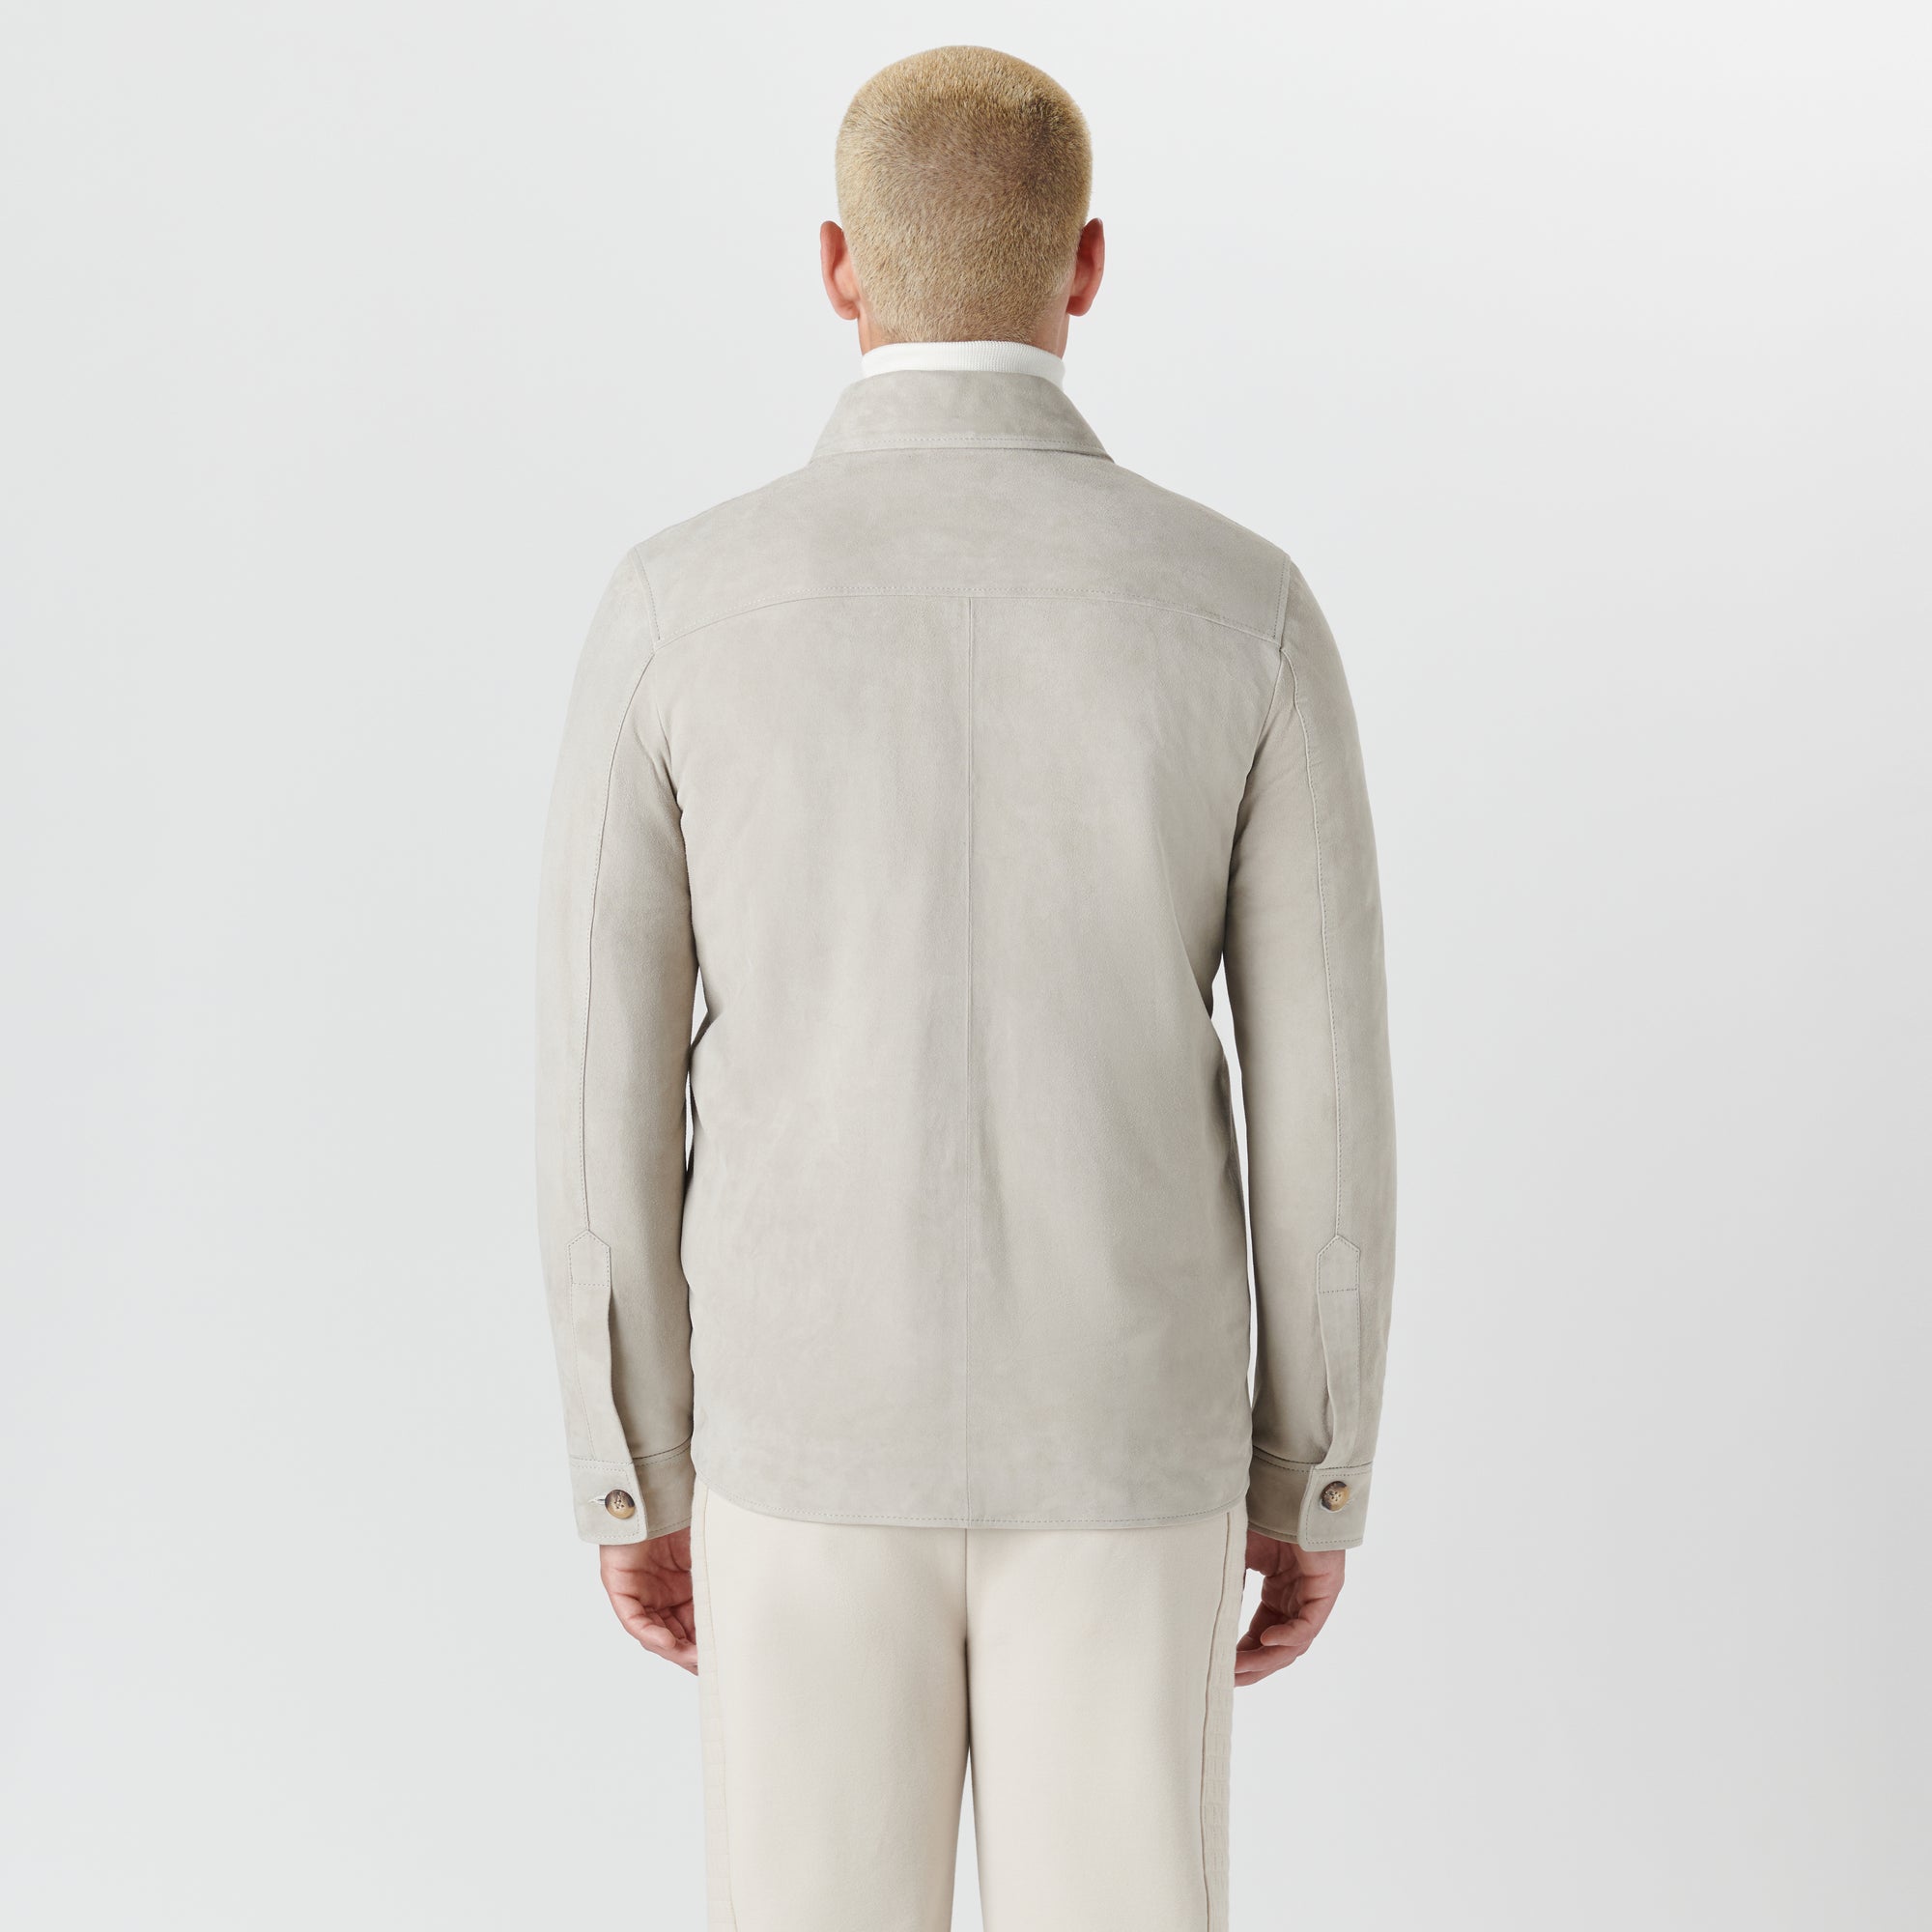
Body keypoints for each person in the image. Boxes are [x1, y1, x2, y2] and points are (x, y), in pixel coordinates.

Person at [534, 43, 1396, 1932]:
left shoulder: (678, 607)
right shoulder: (1241, 607)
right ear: (1084, 265)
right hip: (1127, 1434)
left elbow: (602, 1092)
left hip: (801, 1433)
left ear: (837, 265)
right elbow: (1323, 1093)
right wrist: (1309, 1472)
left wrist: (637, 1465)